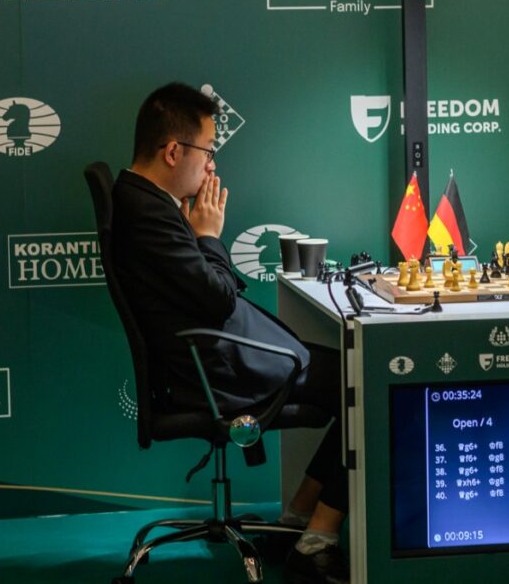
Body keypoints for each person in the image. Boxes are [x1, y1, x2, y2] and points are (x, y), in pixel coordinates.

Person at [112, 82, 348, 584]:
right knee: (360, 385)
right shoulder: (147, 213)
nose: (211, 166)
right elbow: (217, 298)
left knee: (346, 372)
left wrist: (196, 234)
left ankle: (299, 521)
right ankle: (317, 541)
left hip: (209, 359)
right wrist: (208, 235)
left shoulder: (145, 200)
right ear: (173, 151)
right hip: (214, 373)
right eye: (207, 151)